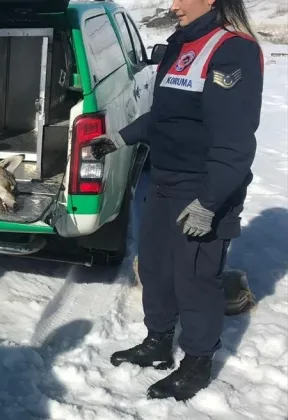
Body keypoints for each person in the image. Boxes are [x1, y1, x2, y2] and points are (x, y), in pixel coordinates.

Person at [96, 0, 264, 402]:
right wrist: (121, 137)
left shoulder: (231, 50)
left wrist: (210, 202)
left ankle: (198, 362)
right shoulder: (182, 44)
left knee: (195, 279)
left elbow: (234, 141)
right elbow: (165, 116)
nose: (172, 6)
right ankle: (157, 342)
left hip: (205, 186)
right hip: (167, 181)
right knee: (155, 268)